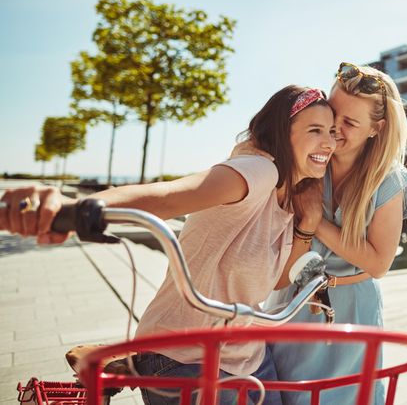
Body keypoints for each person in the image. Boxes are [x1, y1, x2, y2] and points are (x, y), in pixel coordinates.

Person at [0, 85, 336, 405]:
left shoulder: (291, 198)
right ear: (282, 132)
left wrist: (306, 224)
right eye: (315, 130)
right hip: (185, 355)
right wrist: (71, 209)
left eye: (333, 132)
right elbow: (170, 196)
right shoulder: (258, 170)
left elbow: (275, 282)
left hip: (247, 356)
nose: (329, 142)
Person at [267, 63, 407, 405]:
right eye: (333, 112)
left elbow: (378, 263)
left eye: (350, 123)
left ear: (376, 129)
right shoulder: (305, 158)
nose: (334, 128)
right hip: (293, 304)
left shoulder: (388, 181)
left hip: (354, 314)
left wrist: (316, 220)